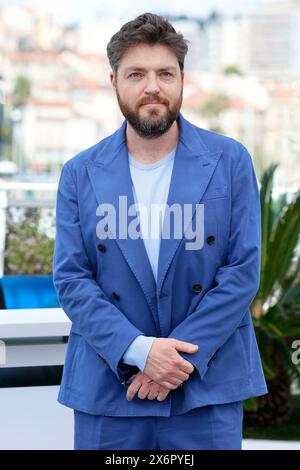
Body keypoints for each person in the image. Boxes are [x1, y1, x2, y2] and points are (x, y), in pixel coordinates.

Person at [53, 12, 268, 450]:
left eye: (165, 73)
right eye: (137, 74)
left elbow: (242, 271)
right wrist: (139, 352)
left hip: (205, 388)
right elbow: (72, 280)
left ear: (182, 80)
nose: (152, 86)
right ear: (114, 81)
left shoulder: (230, 161)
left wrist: (174, 360)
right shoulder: (79, 173)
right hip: (110, 389)